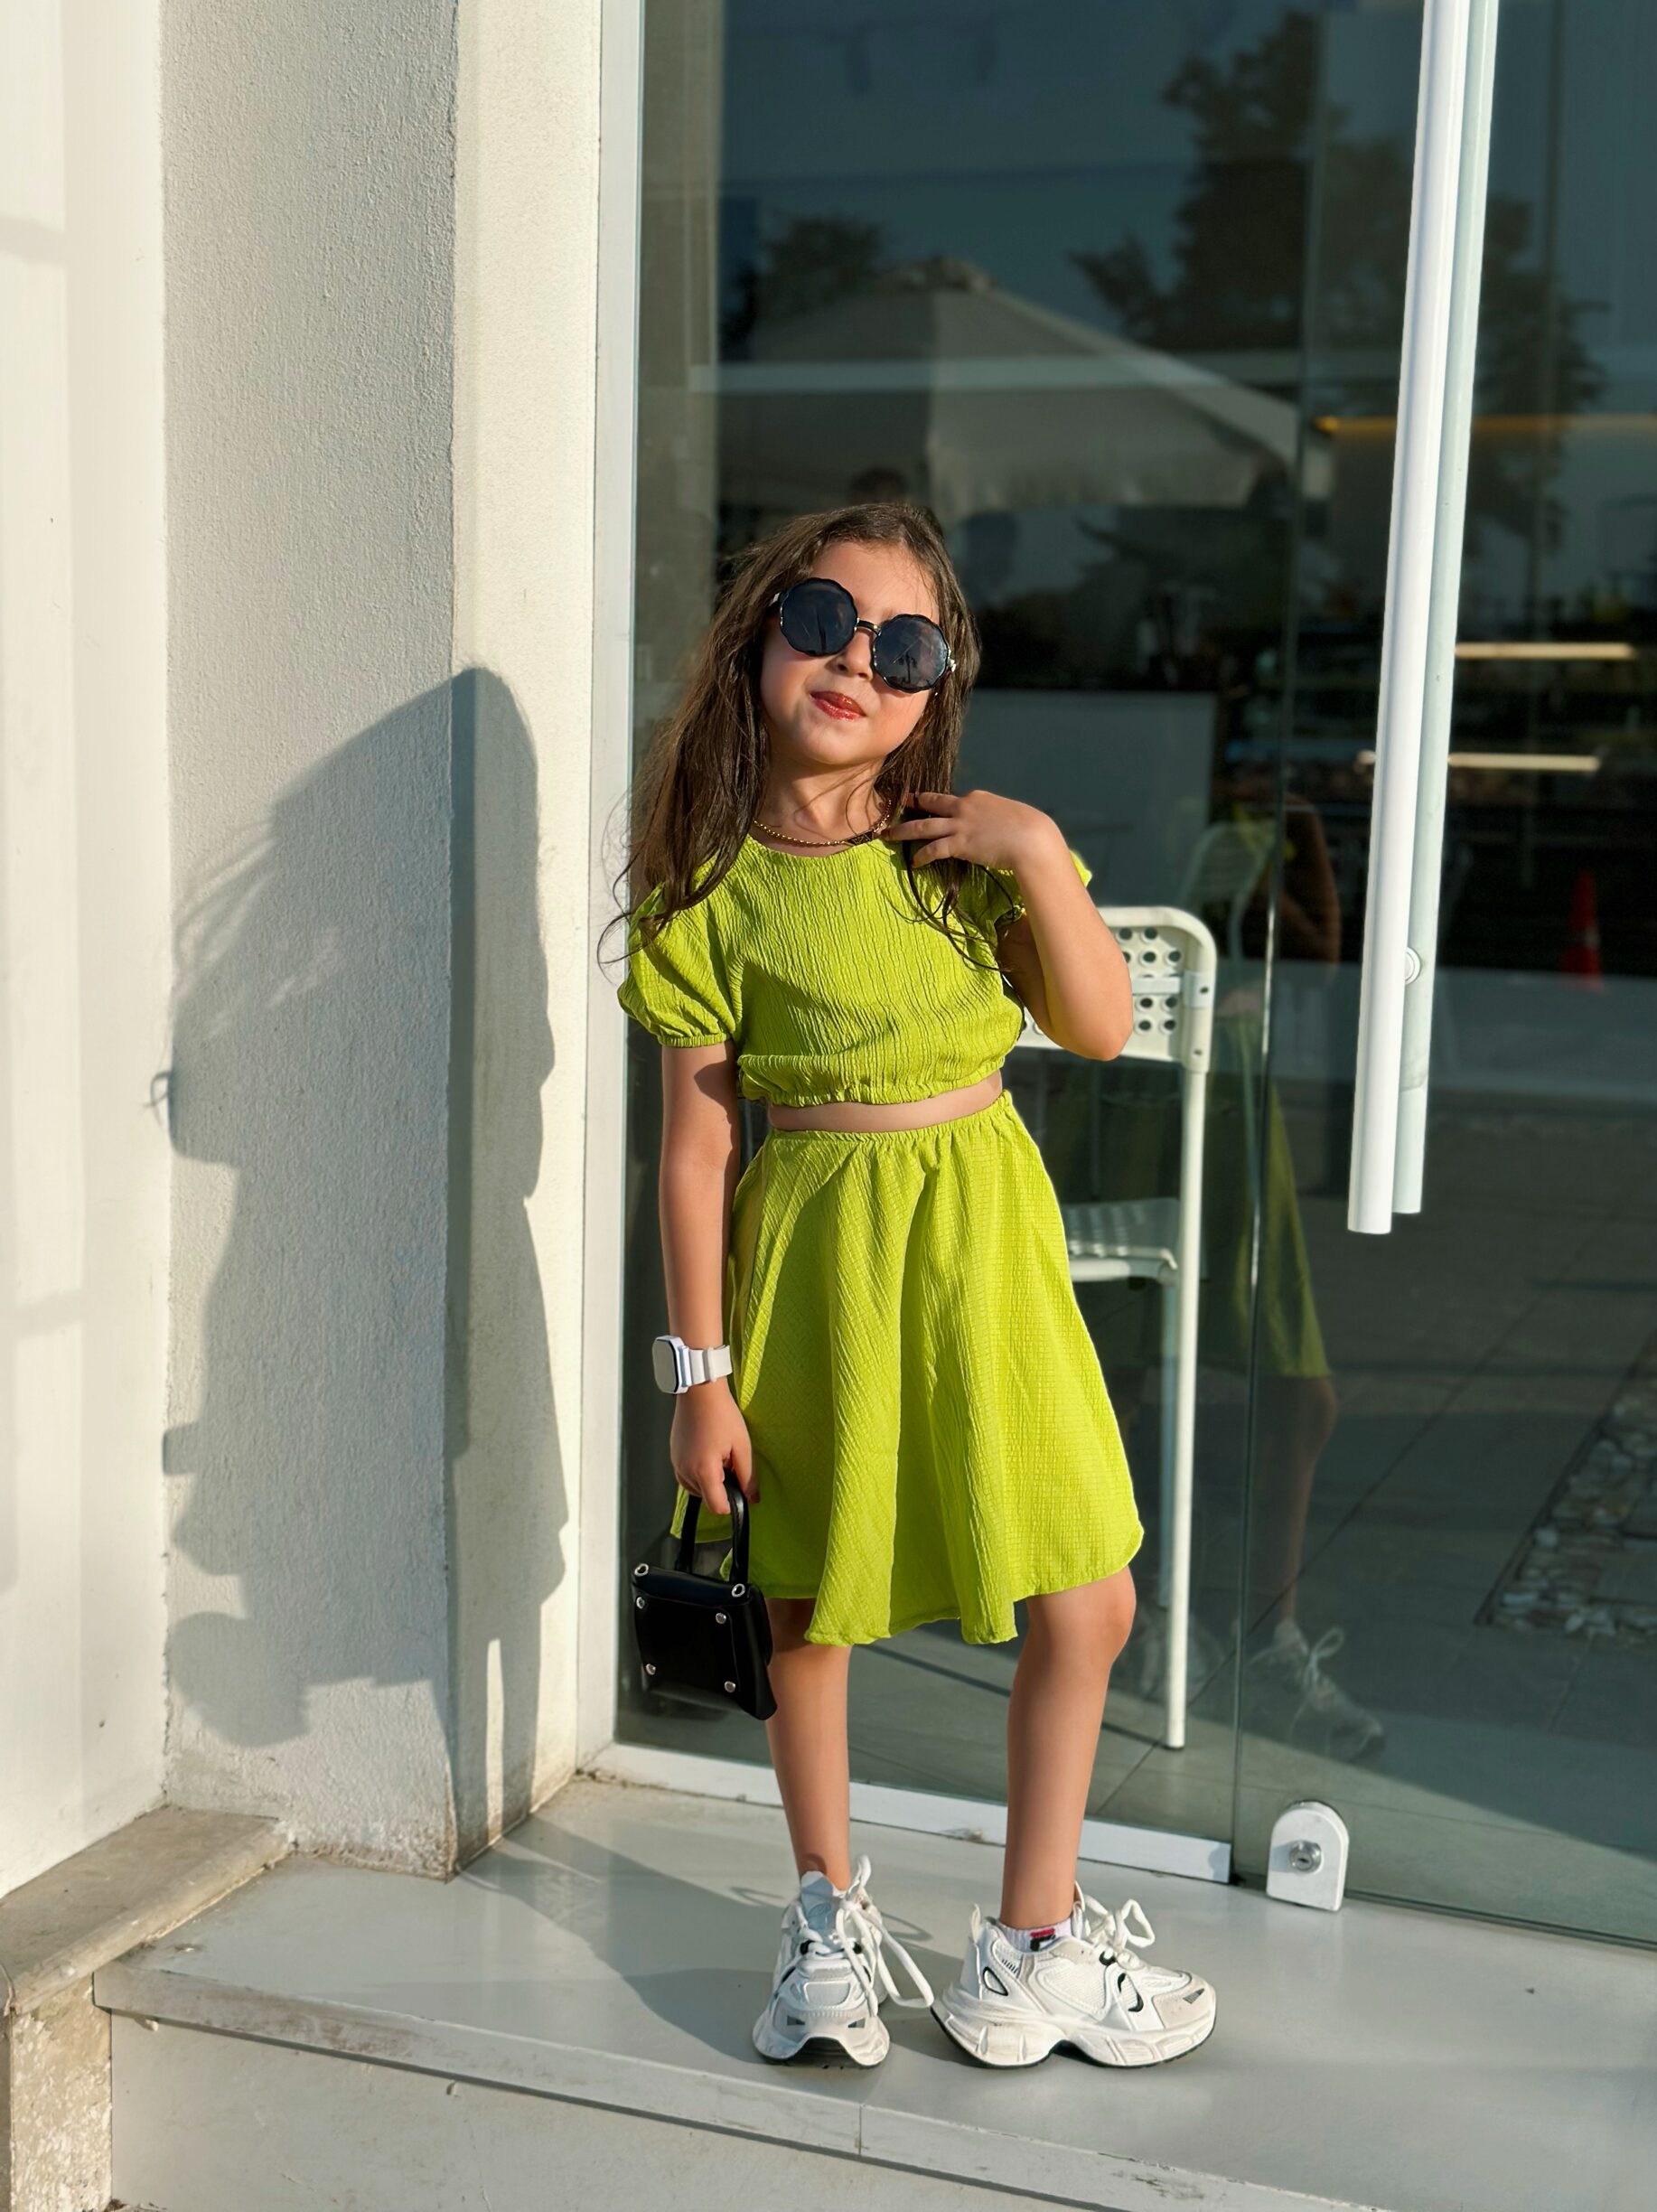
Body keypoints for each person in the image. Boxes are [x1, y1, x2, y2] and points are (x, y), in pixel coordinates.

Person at [608, 499, 1218, 2072]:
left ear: (934, 689)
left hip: (984, 1256)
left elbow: (1095, 1026)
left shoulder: (955, 854)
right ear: (758, 640)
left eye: (903, 647)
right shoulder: (708, 892)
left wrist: (1036, 854)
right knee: (808, 1602)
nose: (854, 664)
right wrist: (698, 1381)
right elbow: (694, 1154)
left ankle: (1029, 1947)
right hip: (815, 1261)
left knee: (1087, 1593)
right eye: (822, 622)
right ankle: (824, 1922)